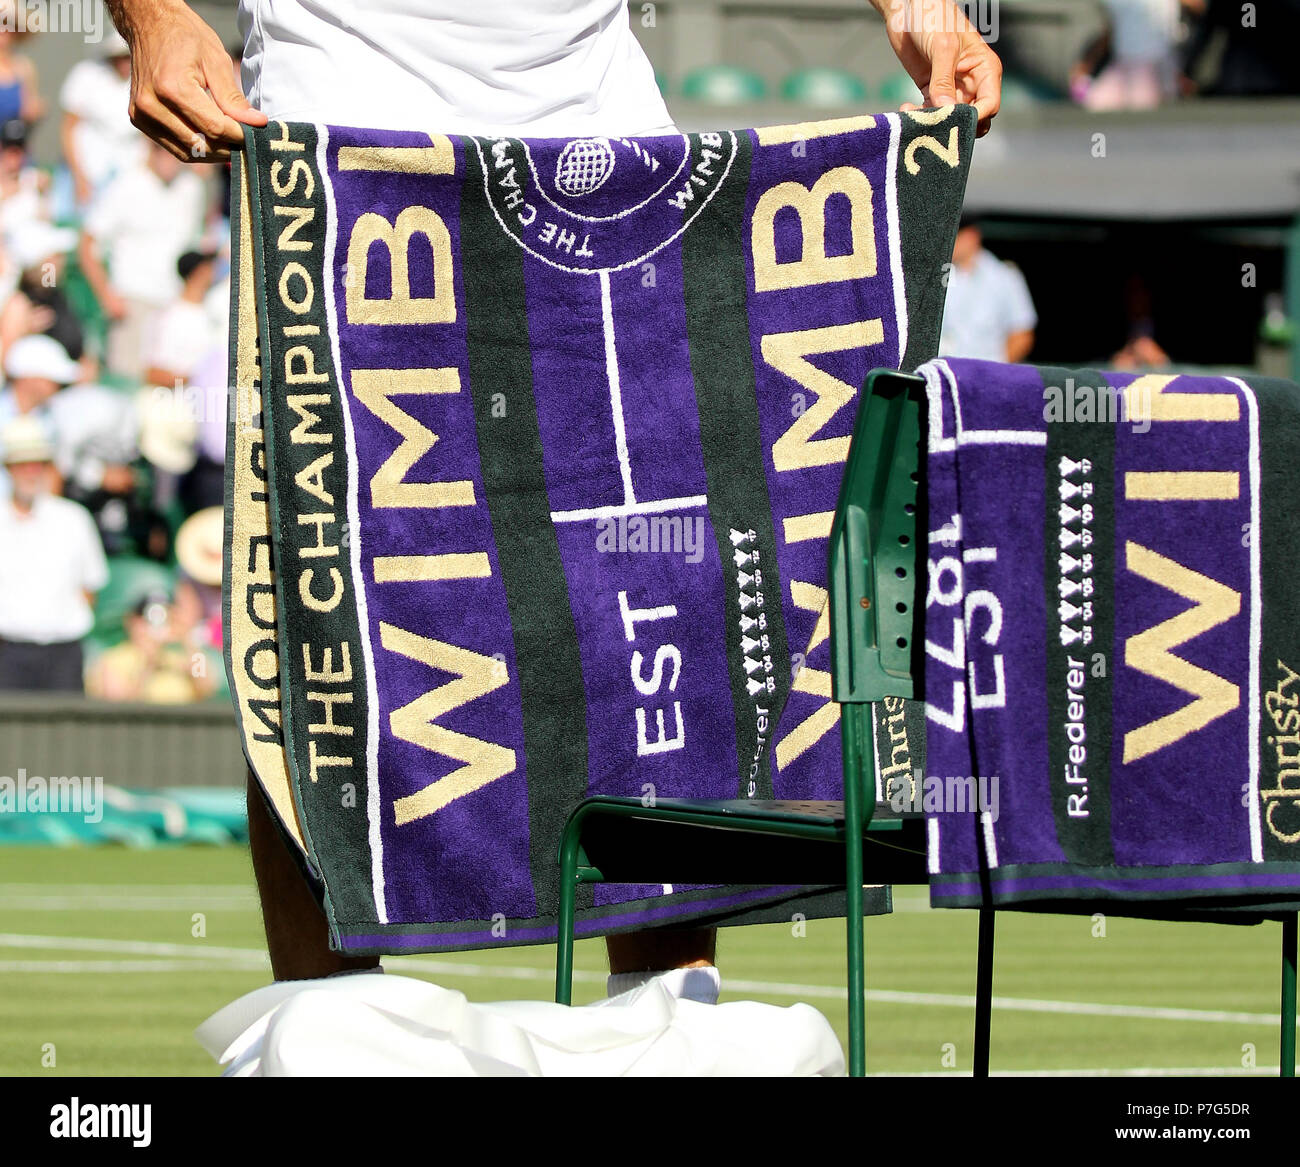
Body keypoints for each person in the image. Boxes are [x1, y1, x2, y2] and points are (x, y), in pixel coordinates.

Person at [104, 0, 1003, 989]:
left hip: (604, 133)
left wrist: (922, 13)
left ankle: (667, 1027)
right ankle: (327, 1035)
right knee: (332, 620)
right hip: (337, 131)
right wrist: (150, 15)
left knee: (663, 596)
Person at [77, 139, 209, 380]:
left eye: (176, 149)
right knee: (128, 383)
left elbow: (198, 244)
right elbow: (87, 244)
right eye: (162, 147)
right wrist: (107, 295)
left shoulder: (193, 188)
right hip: (133, 303)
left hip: (176, 310)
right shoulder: (125, 186)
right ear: (150, 146)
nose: (169, 156)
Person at [0, 415, 108, 692]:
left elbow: (90, 587)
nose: (30, 472)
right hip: (7, 653)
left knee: (67, 733)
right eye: (22, 464)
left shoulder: (73, 519)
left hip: (63, 654)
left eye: (37, 464)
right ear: (9, 468)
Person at [939, 213, 1037, 364]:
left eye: (954, 235)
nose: (947, 242)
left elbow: (1022, 334)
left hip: (985, 374)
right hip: (941, 372)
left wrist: (995, 373)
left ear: (972, 236)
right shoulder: (940, 273)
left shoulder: (1004, 276)